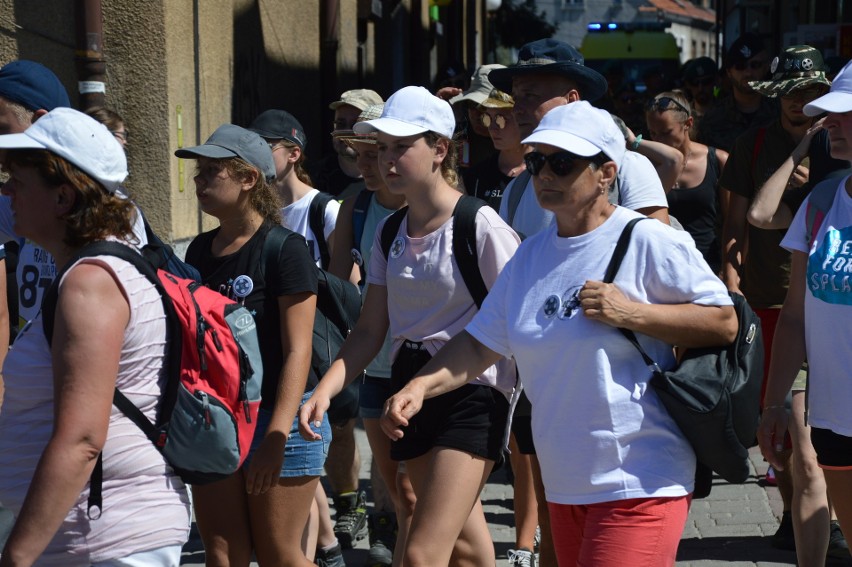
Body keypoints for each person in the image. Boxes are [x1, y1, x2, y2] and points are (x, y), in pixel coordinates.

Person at [381, 101, 737, 567]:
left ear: (607, 172)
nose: (544, 173)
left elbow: (723, 321)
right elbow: (481, 342)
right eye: (536, 161)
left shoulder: (646, 239)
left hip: (641, 475)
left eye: (562, 162)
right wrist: (420, 386)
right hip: (566, 482)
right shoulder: (530, 256)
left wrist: (632, 313)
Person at [299, 85, 520, 567]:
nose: (386, 160)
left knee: (420, 552)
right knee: (466, 547)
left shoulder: (482, 226)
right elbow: (369, 329)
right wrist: (325, 389)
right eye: (382, 149)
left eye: (401, 146)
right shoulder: (388, 230)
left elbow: (510, 324)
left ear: (441, 149)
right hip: (408, 389)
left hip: (474, 392)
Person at [0, 107, 191, 565]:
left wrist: (17, 557)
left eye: (18, 182)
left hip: (106, 537)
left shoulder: (90, 283)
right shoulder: (102, 269)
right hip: (98, 534)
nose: (6, 191)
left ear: (63, 198)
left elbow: (83, 438)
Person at [178, 124, 324, 567]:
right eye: (198, 172)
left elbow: (299, 351)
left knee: (279, 554)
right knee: (222, 555)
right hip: (217, 420)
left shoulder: (284, 249)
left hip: (279, 422)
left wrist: (277, 437)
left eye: (212, 171)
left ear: (249, 179)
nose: (200, 181)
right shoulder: (200, 251)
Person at [720, 44, 846, 555]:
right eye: (796, 95)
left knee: (813, 454)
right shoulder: (763, 150)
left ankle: (817, 525)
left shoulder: (832, 170)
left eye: (818, 96)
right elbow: (749, 220)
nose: (807, 106)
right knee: (800, 453)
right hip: (776, 306)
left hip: (827, 334)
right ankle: (804, 528)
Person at [758, 59, 852, 564]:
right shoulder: (821, 203)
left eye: (844, 113)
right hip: (835, 419)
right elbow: (794, 315)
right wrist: (774, 404)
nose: (830, 122)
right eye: (829, 114)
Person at [246, 108, 347, 566]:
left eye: (266, 144)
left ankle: (328, 543)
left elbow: (349, 286)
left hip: (316, 355)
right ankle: (326, 549)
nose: (256, 153)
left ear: (293, 153)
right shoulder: (255, 212)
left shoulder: (324, 208)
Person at [329, 103, 411, 567]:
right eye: (357, 155)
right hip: (373, 352)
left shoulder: (426, 206)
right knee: (387, 465)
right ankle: (386, 529)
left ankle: (402, 538)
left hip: (424, 358)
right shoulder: (355, 205)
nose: (365, 165)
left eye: (373, 154)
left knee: (414, 480)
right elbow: (340, 282)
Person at [487, 38, 672, 240]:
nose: (517, 108)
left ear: (572, 100)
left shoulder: (626, 169)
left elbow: (658, 259)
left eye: (530, 95)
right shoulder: (516, 191)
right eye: (516, 97)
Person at [644, 91, 729, 273]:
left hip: (709, 267)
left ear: (688, 124)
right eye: (653, 133)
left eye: (666, 133)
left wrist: (729, 273)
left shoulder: (718, 161)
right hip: (661, 267)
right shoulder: (644, 165)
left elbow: (733, 224)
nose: (658, 140)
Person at [697, 33, 776, 153]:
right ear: (729, 72)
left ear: (766, 67)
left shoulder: (781, 113)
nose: (748, 73)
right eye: (740, 66)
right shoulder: (712, 120)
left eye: (755, 65)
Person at [310, 89, 384, 202]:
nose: (346, 132)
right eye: (340, 124)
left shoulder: (392, 179)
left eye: (356, 125)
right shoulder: (313, 177)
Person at [461, 88, 527, 214]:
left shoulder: (542, 172)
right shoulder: (476, 177)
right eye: (487, 119)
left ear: (521, 119)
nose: (492, 128)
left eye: (500, 120)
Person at [681, 57, 719, 138]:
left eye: (706, 82)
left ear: (715, 81)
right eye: (695, 83)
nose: (700, 88)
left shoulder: (728, 113)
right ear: (688, 85)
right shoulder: (682, 116)